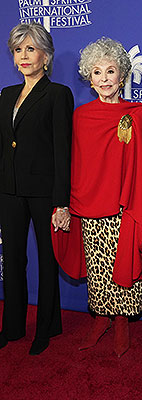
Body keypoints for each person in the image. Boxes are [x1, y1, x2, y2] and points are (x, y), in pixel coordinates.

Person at [51, 37, 142, 357]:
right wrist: (68, 204)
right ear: (89, 77)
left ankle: (122, 322)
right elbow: (75, 162)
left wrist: (135, 203)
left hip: (125, 205)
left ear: (122, 75)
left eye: (111, 71)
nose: (105, 79)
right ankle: (100, 320)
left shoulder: (138, 113)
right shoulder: (80, 116)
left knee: (123, 264)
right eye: (97, 72)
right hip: (89, 204)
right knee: (98, 270)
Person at [0, 23, 73, 355]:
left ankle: (46, 327)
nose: (24, 56)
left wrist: (61, 202)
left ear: (46, 55)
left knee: (47, 260)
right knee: (13, 260)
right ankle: (12, 327)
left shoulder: (57, 94)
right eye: (18, 50)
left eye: (31, 49)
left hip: (44, 192)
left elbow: (62, 151)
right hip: (9, 191)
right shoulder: (6, 95)